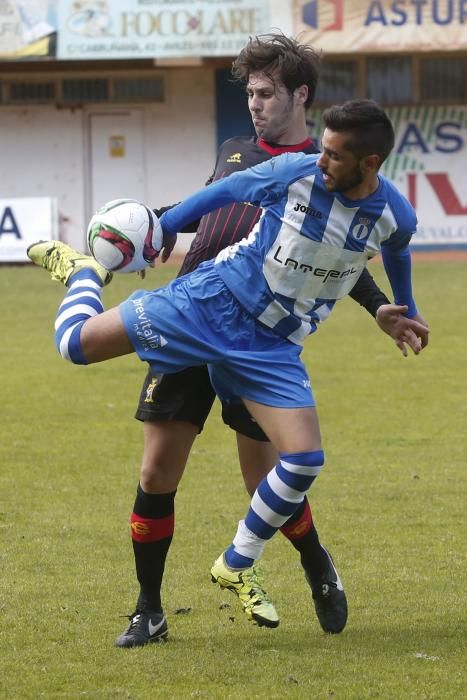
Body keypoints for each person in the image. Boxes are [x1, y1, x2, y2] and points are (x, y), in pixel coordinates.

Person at [28, 97, 428, 635]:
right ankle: (81, 273)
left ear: (370, 163)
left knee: (304, 459)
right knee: (76, 345)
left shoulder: (393, 214)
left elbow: (398, 249)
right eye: (323, 150)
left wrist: (402, 307)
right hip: (208, 303)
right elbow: (225, 193)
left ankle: (237, 563)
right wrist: (160, 231)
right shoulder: (294, 173)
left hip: (270, 346)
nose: (321, 160)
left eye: (333, 155)